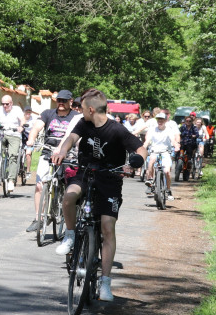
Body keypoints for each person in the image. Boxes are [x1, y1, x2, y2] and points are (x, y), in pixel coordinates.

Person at [53, 90, 146, 302]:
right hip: (85, 173)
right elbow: (71, 139)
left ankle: (105, 283)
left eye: (82, 108)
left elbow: (140, 148)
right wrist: (62, 151)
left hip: (110, 179)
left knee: (107, 227)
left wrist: (135, 161)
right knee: (69, 196)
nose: (79, 111)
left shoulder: (117, 130)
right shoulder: (83, 124)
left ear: (91, 109)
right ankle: (70, 235)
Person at [24, 89, 77, 232]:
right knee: (40, 185)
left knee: (70, 188)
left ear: (70, 102)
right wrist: (31, 139)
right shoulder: (48, 113)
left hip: (68, 154)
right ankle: (38, 218)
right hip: (48, 151)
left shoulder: (75, 116)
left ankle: (69, 219)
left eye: (64, 101)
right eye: (59, 100)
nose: (61, 103)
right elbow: (36, 127)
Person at [144, 111, 179, 199]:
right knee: (151, 161)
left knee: (167, 171)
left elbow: (173, 140)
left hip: (165, 152)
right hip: (154, 151)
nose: (160, 121)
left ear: (165, 121)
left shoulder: (169, 130)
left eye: (162, 119)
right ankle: (150, 181)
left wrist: (176, 146)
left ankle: (168, 189)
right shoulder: (152, 129)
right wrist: (143, 147)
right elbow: (147, 140)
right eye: (158, 119)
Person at [179, 112, 200, 177]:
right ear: (185, 121)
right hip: (182, 143)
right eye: (187, 121)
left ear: (192, 121)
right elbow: (178, 133)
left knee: (189, 156)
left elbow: (197, 134)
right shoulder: (182, 127)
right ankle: (179, 164)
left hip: (191, 144)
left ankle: (189, 165)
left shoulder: (194, 127)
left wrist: (194, 136)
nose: (188, 122)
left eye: (189, 121)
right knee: (179, 153)